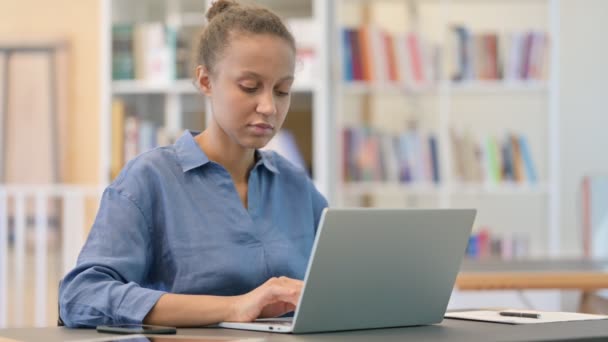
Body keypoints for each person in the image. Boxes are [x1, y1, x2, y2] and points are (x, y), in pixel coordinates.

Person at [59, 0, 328, 328]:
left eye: (282, 90)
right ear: (205, 81)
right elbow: (81, 296)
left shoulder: (295, 185)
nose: (269, 106)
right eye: (250, 87)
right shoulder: (150, 179)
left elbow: (340, 286)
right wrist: (234, 307)